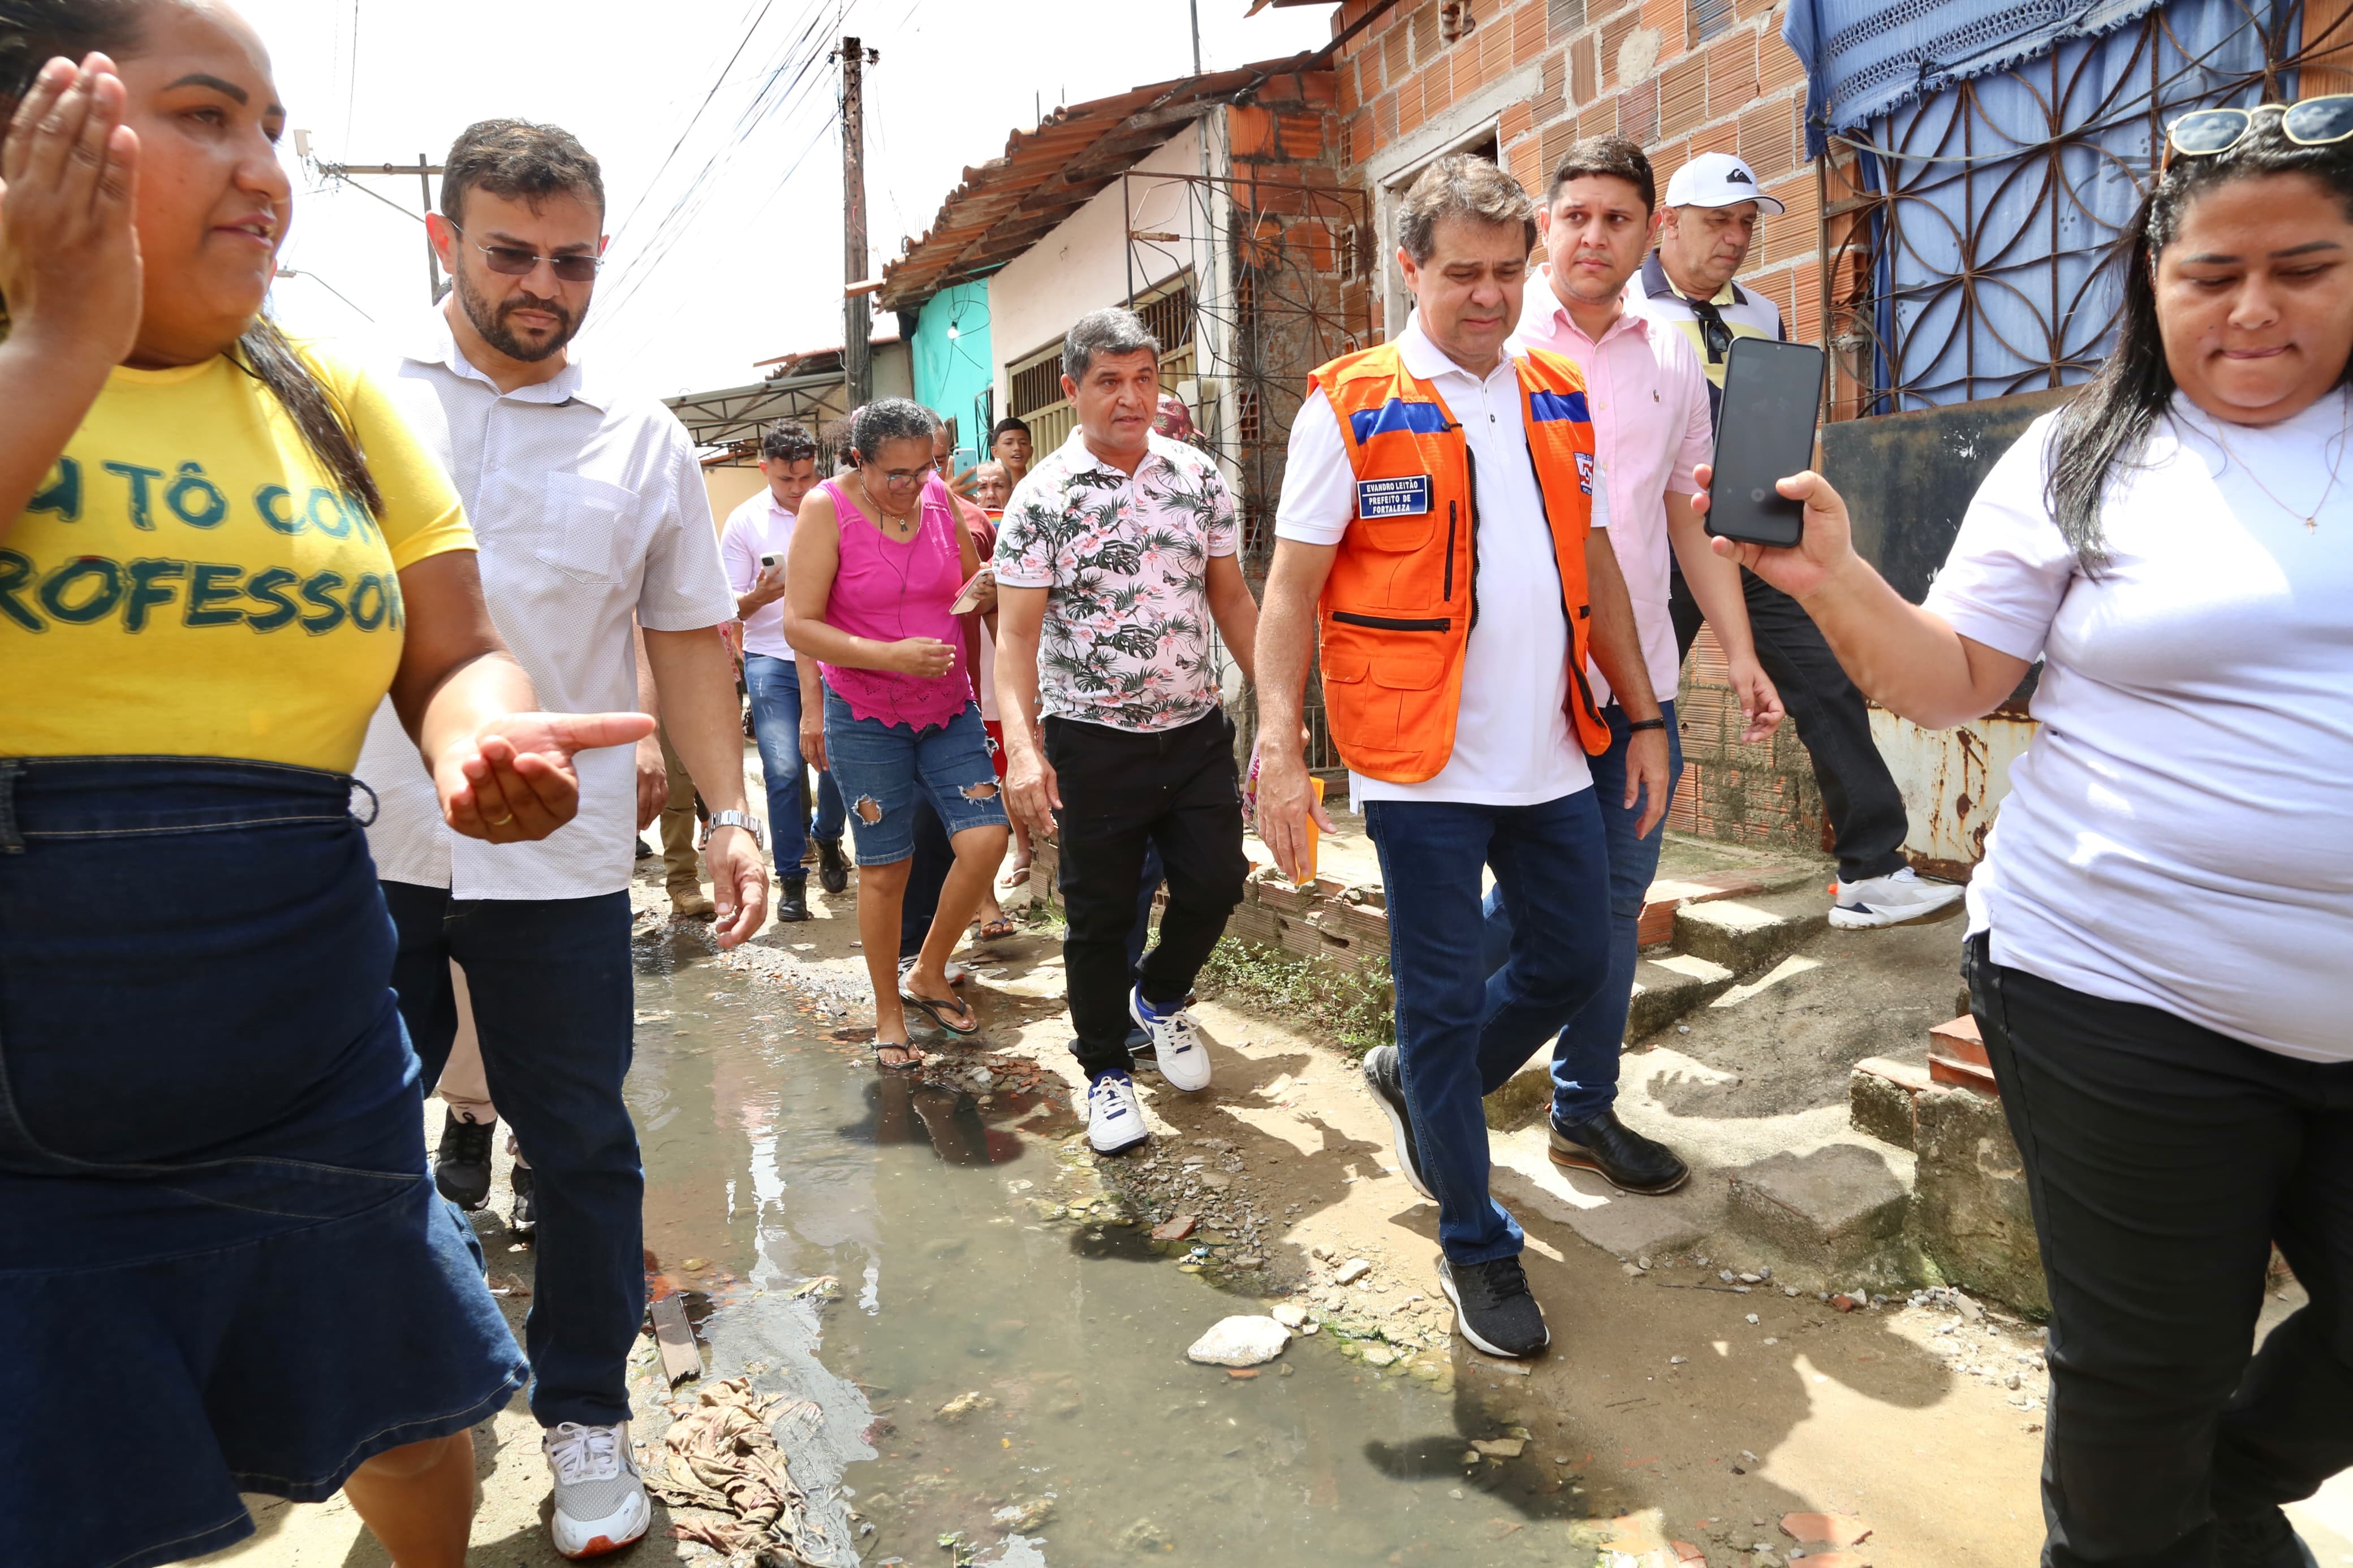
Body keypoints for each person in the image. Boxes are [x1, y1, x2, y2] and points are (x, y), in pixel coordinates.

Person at [0, 14, 658, 1566]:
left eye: (273, 129)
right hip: (29, 1107)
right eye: (207, 118)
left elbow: (456, 650)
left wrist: (474, 738)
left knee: (419, 1429)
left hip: (309, 1042)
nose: (264, 175)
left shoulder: (332, 402)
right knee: (81, 1493)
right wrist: (59, 344)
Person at [1697, 100, 2353, 1567]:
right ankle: (2155, 1514)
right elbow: (1950, 679)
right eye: (2210, 273)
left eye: (2303, 266)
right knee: (2141, 1391)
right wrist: (1831, 580)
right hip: (2118, 989)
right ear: (2152, 280)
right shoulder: (2084, 458)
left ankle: (2203, 1502)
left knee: (2188, 1469)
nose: (2254, 306)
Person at [351, 116, 769, 1560]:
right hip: (367, 849)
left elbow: (692, 642)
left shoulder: (640, 438)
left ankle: (586, 1414)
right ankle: (407, 1398)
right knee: (353, 1151)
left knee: (584, 1146)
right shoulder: (353, 403)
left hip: (560, 867)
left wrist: (733, 814)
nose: (542, 285)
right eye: (510, 253)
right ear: (443, 241)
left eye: (572, 259)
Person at [1255, 155, 1663, 1359]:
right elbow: (1290, 589)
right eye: (1462, 275)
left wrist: (1641, 714)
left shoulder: (1551, 388)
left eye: (1506, 271)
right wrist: (1280, 747)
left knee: (1573, 956)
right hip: (1416, 763)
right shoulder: (1350, 402)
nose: (1489, 296)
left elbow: (1594, 565)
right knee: (1440, 1000)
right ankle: (1475, 1242)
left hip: (1551, 748)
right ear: (1411, 267)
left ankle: (1422, 1088)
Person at [1481, 137, 1784, 1196]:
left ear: (1648, 230)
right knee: (1532, 903)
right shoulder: (1495, 339)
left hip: (1639, 679)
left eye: (1617, 219)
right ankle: (1435, 1061)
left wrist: (1739, 653)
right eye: (1576, 217)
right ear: (1544, 226)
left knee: (1615, 897)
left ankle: (1583, 1109)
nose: (1594, 237)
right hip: (1521, 678)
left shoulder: (1670, 352)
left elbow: (1684, 519)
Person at [1628, 150, 1960, 930]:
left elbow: (1782, 427)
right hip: (1655, 550)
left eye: (1746, 224)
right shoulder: (1630, 314)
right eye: (1718, 223)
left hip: (1750, 540)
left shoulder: (1762, 315)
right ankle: (1597, 885)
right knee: (1632, 706)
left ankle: (1871, 872)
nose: (1736, 239)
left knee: (1827, 682)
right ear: (1667, 226)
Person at [994, 305, 1262, 1154]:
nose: (1131, 397)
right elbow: (1017, 639)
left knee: (1217, 882)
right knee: (1101, 917)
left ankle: (1162, 998)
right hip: (1094, 740)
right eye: (1109, 381)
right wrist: (1026, 749)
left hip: (1193, 731)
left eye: (1144, 377)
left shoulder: (1196, 478)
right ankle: (1107, 1071)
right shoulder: (1040, 500)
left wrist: (1281, 710)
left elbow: (1232, 598)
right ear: (1072, 390)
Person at [783, 398, 1011, 1069]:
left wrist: (1000, 591)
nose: (915, 486)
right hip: (865, 713)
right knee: (886, 867)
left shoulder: (938, 496)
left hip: (947, 705)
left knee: (985, 838)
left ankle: (929, 970)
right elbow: (799, 623)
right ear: (859, 460)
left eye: (927, 468)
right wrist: (887, 655)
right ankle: (889, 1010)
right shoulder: (825, 509)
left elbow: (974, 584)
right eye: (897, 475)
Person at [722, 418, 851, 918]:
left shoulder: (839, 505)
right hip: (770, 656)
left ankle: (828, 837)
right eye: (785, 480)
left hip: (835, 652)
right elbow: (729, 607)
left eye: (805, 477)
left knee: (839, 758)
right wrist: (762, 593)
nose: (798, 490)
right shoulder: (744, 522)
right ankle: (791, 877)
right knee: (781, 767)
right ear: (764, 470)